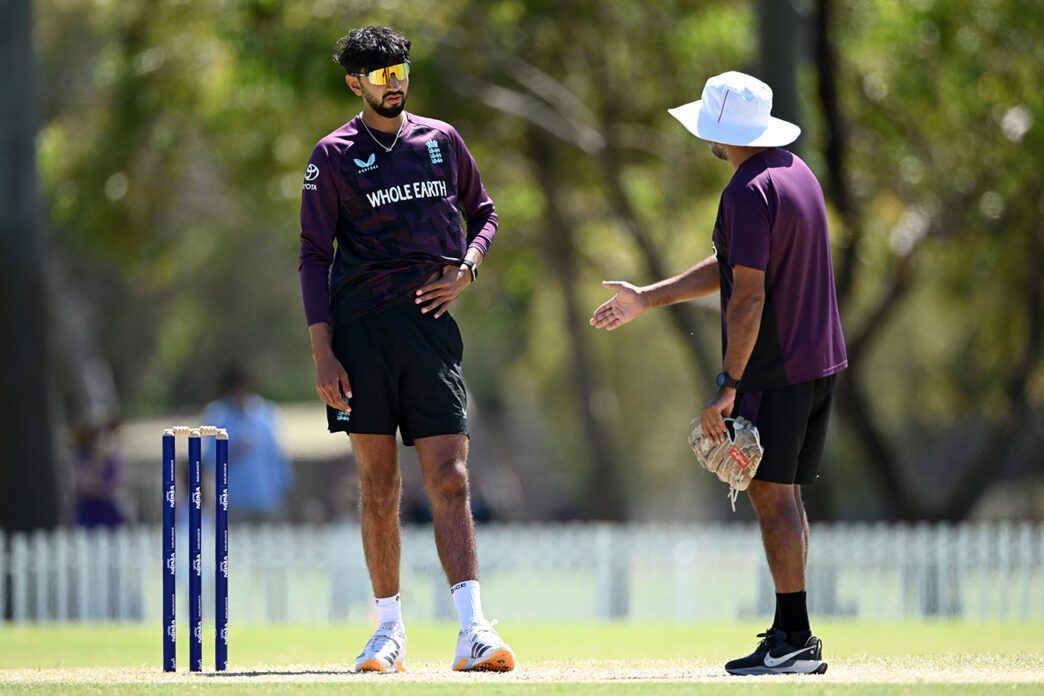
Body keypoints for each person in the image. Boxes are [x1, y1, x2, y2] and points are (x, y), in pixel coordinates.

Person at [590, 71, 847, 676]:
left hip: (774, 367)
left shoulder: (745, 192)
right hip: (818, 361)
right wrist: (646, 298)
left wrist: (727, 386)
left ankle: (794, 641)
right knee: (785, 495)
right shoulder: (796, 173)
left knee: (770, 496)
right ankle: (790, 633)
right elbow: (732, 265)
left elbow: (748, 297)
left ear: (720, 130)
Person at [297, 26, 514, 673]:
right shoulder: (332, 155)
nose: (393, 83)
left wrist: (468, 267)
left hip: (430, 332)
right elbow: (313, 256)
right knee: (379, 484)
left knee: (450, 476)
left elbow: (485, 214)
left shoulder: (441, 140)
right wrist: (323, 353)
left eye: (399, 70)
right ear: (354, 82)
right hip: (360, 334)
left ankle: (474, 631)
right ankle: (388, 633)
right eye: (378, 74)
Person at [201, 363, 293, 524]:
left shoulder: (266, 414)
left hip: (267, 498)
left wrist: (284, 487)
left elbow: (278, 455)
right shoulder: (217, 416)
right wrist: (232, 451)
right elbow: (209, 460)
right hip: (234, 501)